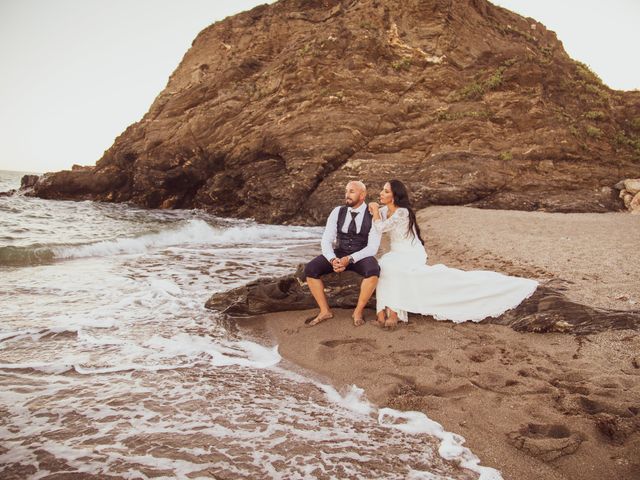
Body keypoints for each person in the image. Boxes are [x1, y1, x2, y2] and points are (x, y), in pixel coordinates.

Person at [368, 180, 538, 328]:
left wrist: (375, 211)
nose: (381, 193)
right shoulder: (385, 210)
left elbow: (381, 227)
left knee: (393, 268)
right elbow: (372, 219)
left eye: (386, 191)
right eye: (382, 190)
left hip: (410, 252)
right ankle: (384, 311)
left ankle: (395, 313)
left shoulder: (402, 212)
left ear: (395, 195)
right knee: (384, 266)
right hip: (397, 252)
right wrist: (372, 209)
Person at [304, 180, 382, 327]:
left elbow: (373, 248)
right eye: (346, 191)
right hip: (339, 252)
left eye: (352, 191)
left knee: (373, 271)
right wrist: (333, 259)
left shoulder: (372, 214)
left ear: (362, 195)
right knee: (310, 269)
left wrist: (350, 259)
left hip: (361, 254)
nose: (347, 195)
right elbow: (326, 240)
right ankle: (324, 311)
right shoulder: (337, 212)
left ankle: (358, 311)